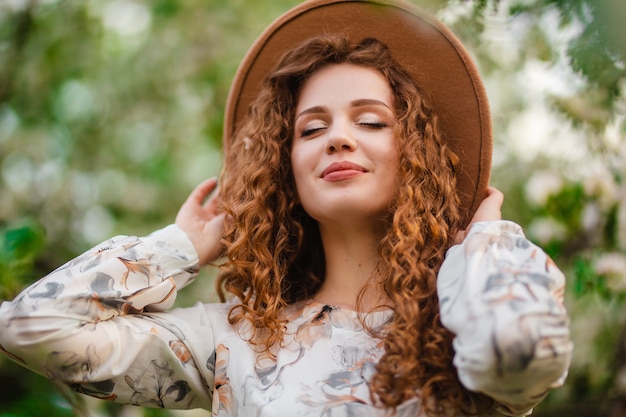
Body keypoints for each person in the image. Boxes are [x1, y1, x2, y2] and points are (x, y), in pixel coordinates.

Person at [0, 1, 572, 416]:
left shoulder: (462, 323)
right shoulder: (233, 343)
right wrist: (180, 248)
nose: (338, 138)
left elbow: (519, 352)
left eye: (371, 121)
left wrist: (485, 243)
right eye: (311, 128)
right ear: (285, 169)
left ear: (418, 158)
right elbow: (32, 329)